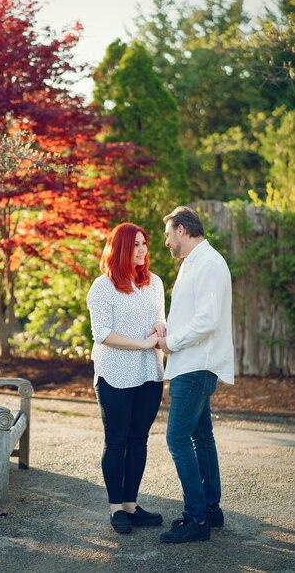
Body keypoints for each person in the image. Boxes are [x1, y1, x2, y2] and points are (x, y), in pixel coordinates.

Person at [156, 206, 234, 544]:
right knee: (202, 438)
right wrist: (165, 328)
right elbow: (191, 315)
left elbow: (207, 320)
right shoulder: (192, 263)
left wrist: (170, 342)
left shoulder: (209, 264)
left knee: (177, 439)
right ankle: (210, 510)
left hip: (196, 366)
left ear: (183, 230)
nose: (166, 242)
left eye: (168, 234)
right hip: (191, 364)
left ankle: (196, 518)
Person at [86, 222, 166, 535]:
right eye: (135, 245)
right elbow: (102, 334)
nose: (143, 250)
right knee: (117, 440)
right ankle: (115, 507)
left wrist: (159, 329)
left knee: (139, 439)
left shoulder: (154, 282)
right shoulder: (102, 286)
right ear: (120, 248)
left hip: (149, 372)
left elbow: (160, 317)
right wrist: (143, 343)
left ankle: (132, 505)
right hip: (115, 372)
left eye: (144, 243)